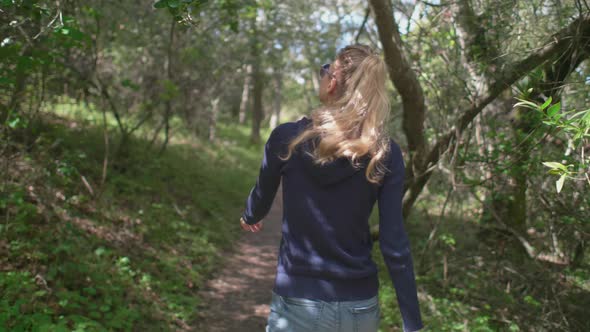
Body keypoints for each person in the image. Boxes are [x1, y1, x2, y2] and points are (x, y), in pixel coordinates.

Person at [240, 44, 423, 332]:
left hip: (297, 300)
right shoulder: (385, 153)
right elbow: (394, 244)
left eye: (326, 70)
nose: (323, 75)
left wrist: (251, 214)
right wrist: (413, 323)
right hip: (359, 307)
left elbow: (263, 193)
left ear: (333, 81)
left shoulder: (288, 138)